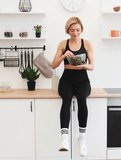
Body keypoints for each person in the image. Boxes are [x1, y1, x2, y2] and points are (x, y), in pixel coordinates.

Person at [51, 17, 94, 157]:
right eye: (72, 30)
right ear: (67, 30)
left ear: (81, 29)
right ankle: (64, 139)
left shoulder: (87, 44)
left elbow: (92, 66)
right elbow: (53, 65)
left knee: (82, 99)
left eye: (77, 30)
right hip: (67, 80)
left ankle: (82, 138)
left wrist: (83, 65)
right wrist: (64, 56)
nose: (75, 33)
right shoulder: (63, 44)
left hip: (83, 80)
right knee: (66, 100)